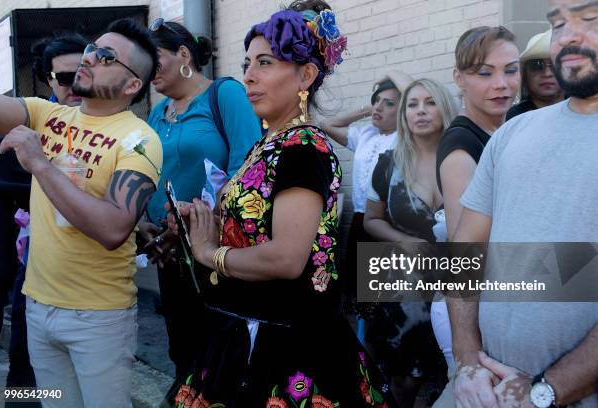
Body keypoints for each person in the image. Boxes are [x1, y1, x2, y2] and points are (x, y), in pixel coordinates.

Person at [165, 2, 393, 406]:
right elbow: (255, 228)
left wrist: (208, 252)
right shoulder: (268, 144)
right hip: (243, 328)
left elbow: (287, 258)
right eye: (247, 62)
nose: (249, 76)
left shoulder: (304, 148)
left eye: (265, 63)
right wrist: (201, 219)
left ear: (306, 75)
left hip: (285, 343)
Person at [436, 1, 598, 406]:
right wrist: (467, 362)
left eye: (590, 17)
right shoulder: (514, 132)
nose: (567, 36)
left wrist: (547, 390)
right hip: (483, 388)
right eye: (558, 23)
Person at [0, 18, 162, 407]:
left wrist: (40, 163)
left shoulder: (139, 140)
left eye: (105, 57)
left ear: (132, 84)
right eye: (92, 49)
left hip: (98, 318)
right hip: (37, 308)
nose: (89, 59)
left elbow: (113, 229)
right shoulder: (47, 115)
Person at [140, 19, 261, 379]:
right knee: (182, 347)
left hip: (216, 247)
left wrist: (196, 220)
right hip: (169, 250)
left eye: (154, 58)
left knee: (220, 352)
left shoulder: (225, 94)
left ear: (183, 54)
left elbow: (248, 164)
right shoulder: (157, 112)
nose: (148, 69)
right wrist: (147, 224)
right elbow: (148, 171)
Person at [432, 25, 520, 390]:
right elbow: (464, 255)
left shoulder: (505, 131)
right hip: (472, 316)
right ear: (460, 78)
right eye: (485, 73)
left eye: (510, 70)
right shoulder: (461, 149)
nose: (501, 84)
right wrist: (469, 354)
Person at [2, 33, 87, 406]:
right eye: (66, 78)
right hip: (34, 260)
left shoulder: (112, 125)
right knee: (25, 359)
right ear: (48, 80)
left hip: (97, 271)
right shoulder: (30, 120)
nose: (78, 85)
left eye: (85, 73)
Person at [363, 78, 458, 406]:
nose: (420, 111)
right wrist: (403, 241)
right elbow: (370, 221)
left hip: (460, 280)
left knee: (458, 373)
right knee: (403, 380)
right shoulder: (388, 164)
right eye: (412, 105)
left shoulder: (467, 159)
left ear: (445, 107)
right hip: (403, 283)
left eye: (430, 102)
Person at [321, 71, 412, 311]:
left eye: (389, 103)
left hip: (390, 224)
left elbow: (417, 92)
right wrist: (369, 108)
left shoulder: (407, 137)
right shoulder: (365, 135)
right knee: (362, 298)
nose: (379, 107)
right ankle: (363, 347)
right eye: (377, 101)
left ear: (403, 111)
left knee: (387, 299)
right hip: (362, 222)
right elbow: (328, 124)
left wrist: (392, 74)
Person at [506, 29, 565, 120]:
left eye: (555, 65)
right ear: (525, 74)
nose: (547, 73)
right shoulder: (511, 119)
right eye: (537, 65)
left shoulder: (585, 113)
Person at [31, 33, 87, 105]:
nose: (75, 86)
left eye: (83, 77)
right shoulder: (37, 115)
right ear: (49, 79)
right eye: (65, 78)